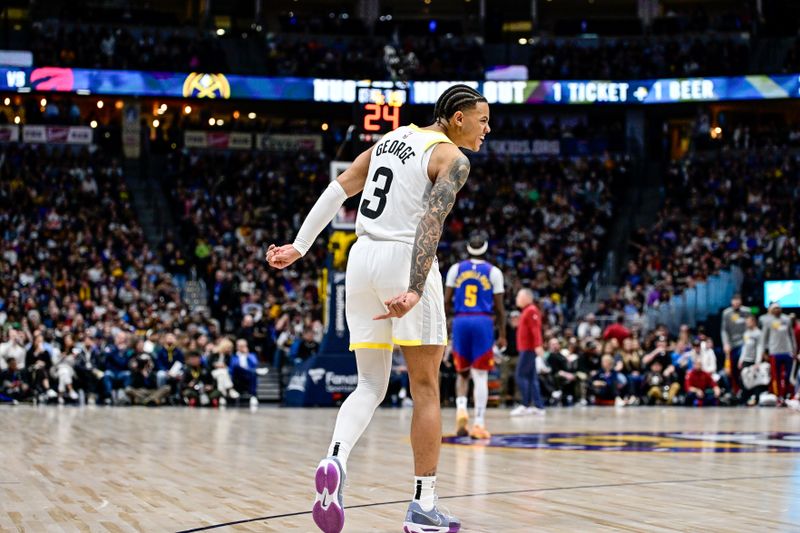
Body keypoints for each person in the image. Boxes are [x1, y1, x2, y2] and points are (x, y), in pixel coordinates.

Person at [267, 84, 490, 533]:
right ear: (459, 117)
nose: (487, 130)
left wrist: (299, 245)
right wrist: (412, 286)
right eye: (483, 120)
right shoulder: (452, 158)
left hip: (360, 258)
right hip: (404, 257)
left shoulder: (390, 139)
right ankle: (423, 506)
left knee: (370, 383)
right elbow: (432, 220)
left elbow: (340, 188)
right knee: (426, 388)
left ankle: (336, 458)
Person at [444, 230, 506, 439]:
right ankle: (478, 423)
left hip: (461, 320)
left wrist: (446, 326)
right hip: (482, 321)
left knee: (462, 372)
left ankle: (461, 407)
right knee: (480, 375)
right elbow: (500, 308)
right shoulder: (494, 272)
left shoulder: (455, 269)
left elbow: (445, 301)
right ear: (486, 248)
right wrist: (503, 333)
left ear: (468, 248)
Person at [511, 288, 546, 416]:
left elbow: (535, 329)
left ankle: (525, 405)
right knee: (531, 378)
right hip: (527, 348)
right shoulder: (526, 311)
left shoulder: (531, 310)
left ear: (527, 297)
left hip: (529, 349)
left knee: (520, 375)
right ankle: (539, 406)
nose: (516, 299)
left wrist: (538, 345)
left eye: (518, 296)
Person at [760, 302, 797, 403]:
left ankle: (788, 395)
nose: (777, 310)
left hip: (787, 351)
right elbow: (764, 338)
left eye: (778, 308)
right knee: (776, 376)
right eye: (774, 308)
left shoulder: (787, 319)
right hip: (774, 352)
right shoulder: (768, 321)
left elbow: (792, 336)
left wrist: (794, 350)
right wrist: (764, 352)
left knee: (788, 375)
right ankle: (778, 396)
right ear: (771, 310)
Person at [720, 294, 750, 395]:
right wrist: (725, 344)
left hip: (744, 344)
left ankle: (745, 391)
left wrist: (747, 341)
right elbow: (724, 330)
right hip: (731, 345)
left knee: (742, 367)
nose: (736, 302)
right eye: (734, 300)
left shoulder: (746, 311)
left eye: (738, 300)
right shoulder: (726, 313)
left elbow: (749, 326)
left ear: (741, 301)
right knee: (731, 370)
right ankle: (735, 390)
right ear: (731, 301)